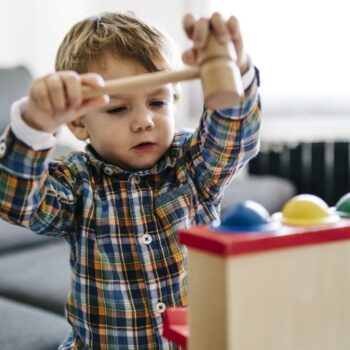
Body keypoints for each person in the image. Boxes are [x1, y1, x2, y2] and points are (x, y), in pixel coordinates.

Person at [0, 11, 261, 350]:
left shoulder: (192, 165)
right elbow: (16, 202)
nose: (143, 121)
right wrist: (34, 125)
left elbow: (234, 138)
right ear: (78, 123)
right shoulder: (77, 181)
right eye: (118, 109)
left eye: (157, 102)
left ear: (174, 100)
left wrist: (235, 68)